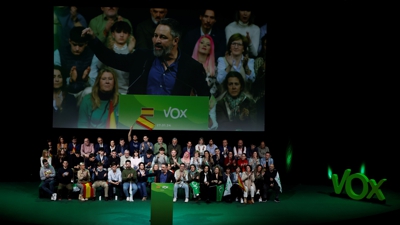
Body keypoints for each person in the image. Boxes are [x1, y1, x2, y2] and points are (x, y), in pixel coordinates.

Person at [82, 18, 210, 96]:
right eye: (155, 36)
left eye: (163, 37)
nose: (156, 41)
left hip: (173, 122)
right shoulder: (141, 57)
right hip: (142, 121)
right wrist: (93, 40)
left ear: (175, 41)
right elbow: (111, 59)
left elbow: (205, 96)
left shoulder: (192, 67)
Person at [88, 21, 136, 95]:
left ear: (129, 35)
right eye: (118, 32)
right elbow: (99, 67)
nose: (122, 35)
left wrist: (129, 51)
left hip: (125, 91)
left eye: (125, 32)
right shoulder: (105, 51)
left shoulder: (134, 53)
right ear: (113, 34)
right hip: (107, 90)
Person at [53, 26, 94, 96]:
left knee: (90, 91)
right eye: (74, 44)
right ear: (69, 41)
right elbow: (55, 80)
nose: (77, 48)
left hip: (83, 92)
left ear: (86, 44)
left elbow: (96, 83)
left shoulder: (92, 55)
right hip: (64, 92)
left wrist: (87, 80)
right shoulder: (58, 53)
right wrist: (70, 80)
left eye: (80, 45)